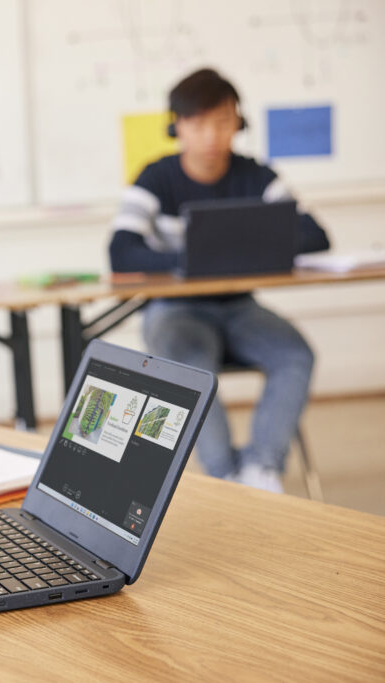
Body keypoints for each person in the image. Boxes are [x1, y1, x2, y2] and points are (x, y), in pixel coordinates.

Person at [108, 67, 330, 494]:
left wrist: (246, 246)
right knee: (189, 368)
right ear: (177, 127)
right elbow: (121, 251)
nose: (212, 134)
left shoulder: (256, 176)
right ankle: (226, 477)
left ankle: (261, 469)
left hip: (240, 308)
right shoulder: (155, 178)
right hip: (176, 310)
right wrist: (192, 259)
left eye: (223, 120)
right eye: (199, 122)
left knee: (294, 355)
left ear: (238, 124)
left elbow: (314, 234)